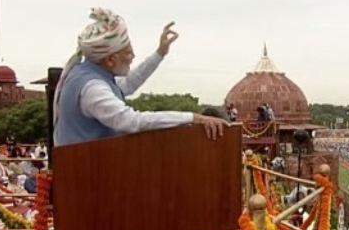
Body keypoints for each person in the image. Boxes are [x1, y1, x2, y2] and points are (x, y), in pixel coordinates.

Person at [54, 8, 227, 147]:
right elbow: (131, 121)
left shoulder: (90, 75)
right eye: (128, 52)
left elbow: (129, 83)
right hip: (88, 176)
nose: (133, 56)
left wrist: (160, 53)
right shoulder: (93, 88)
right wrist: (194, 117)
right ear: (110, 60)